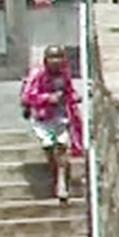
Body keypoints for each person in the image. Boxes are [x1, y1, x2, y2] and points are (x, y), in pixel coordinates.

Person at [21, 45, 86, 202]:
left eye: (59, 58)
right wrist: (48, 98)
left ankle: (62, 181)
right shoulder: (37, 74)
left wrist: (74, 96)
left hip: (61, 115)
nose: (56, 62)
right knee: (49, 147)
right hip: (43, 118)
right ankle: (56, 173)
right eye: (53, 58)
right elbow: (27, 97)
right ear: (46, 60)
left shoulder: (64, 73)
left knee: (62, 146)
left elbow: (68, 90)